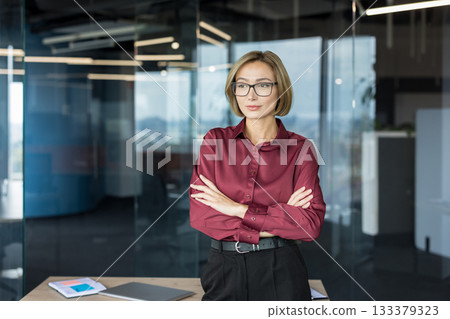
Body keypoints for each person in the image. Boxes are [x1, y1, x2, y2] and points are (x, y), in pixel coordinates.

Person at [189, 50, 326, 301]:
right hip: (223, 268)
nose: (250, 95)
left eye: (262, 85)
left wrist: (235, 208)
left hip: (282, 269)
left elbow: (309, 226)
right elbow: (202, 216)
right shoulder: (215, 142)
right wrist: (280, 219)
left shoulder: (301, 149)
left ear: (280, 89)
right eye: (242, 85)